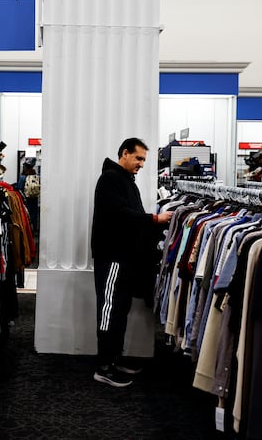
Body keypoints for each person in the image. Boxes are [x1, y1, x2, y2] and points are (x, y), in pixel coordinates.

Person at [90, 137, 172, 387]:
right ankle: (103, 367)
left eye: (144, 160)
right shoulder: (110, 180)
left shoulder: (125, 181)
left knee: (120, 311)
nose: (141, 164)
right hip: (112, 257)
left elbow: (130, 218)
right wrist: (155, 219)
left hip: (123, 259)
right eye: (138, 158)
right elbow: (120, 217)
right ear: (124, 153)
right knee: (109, 312)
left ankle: (113, 359)